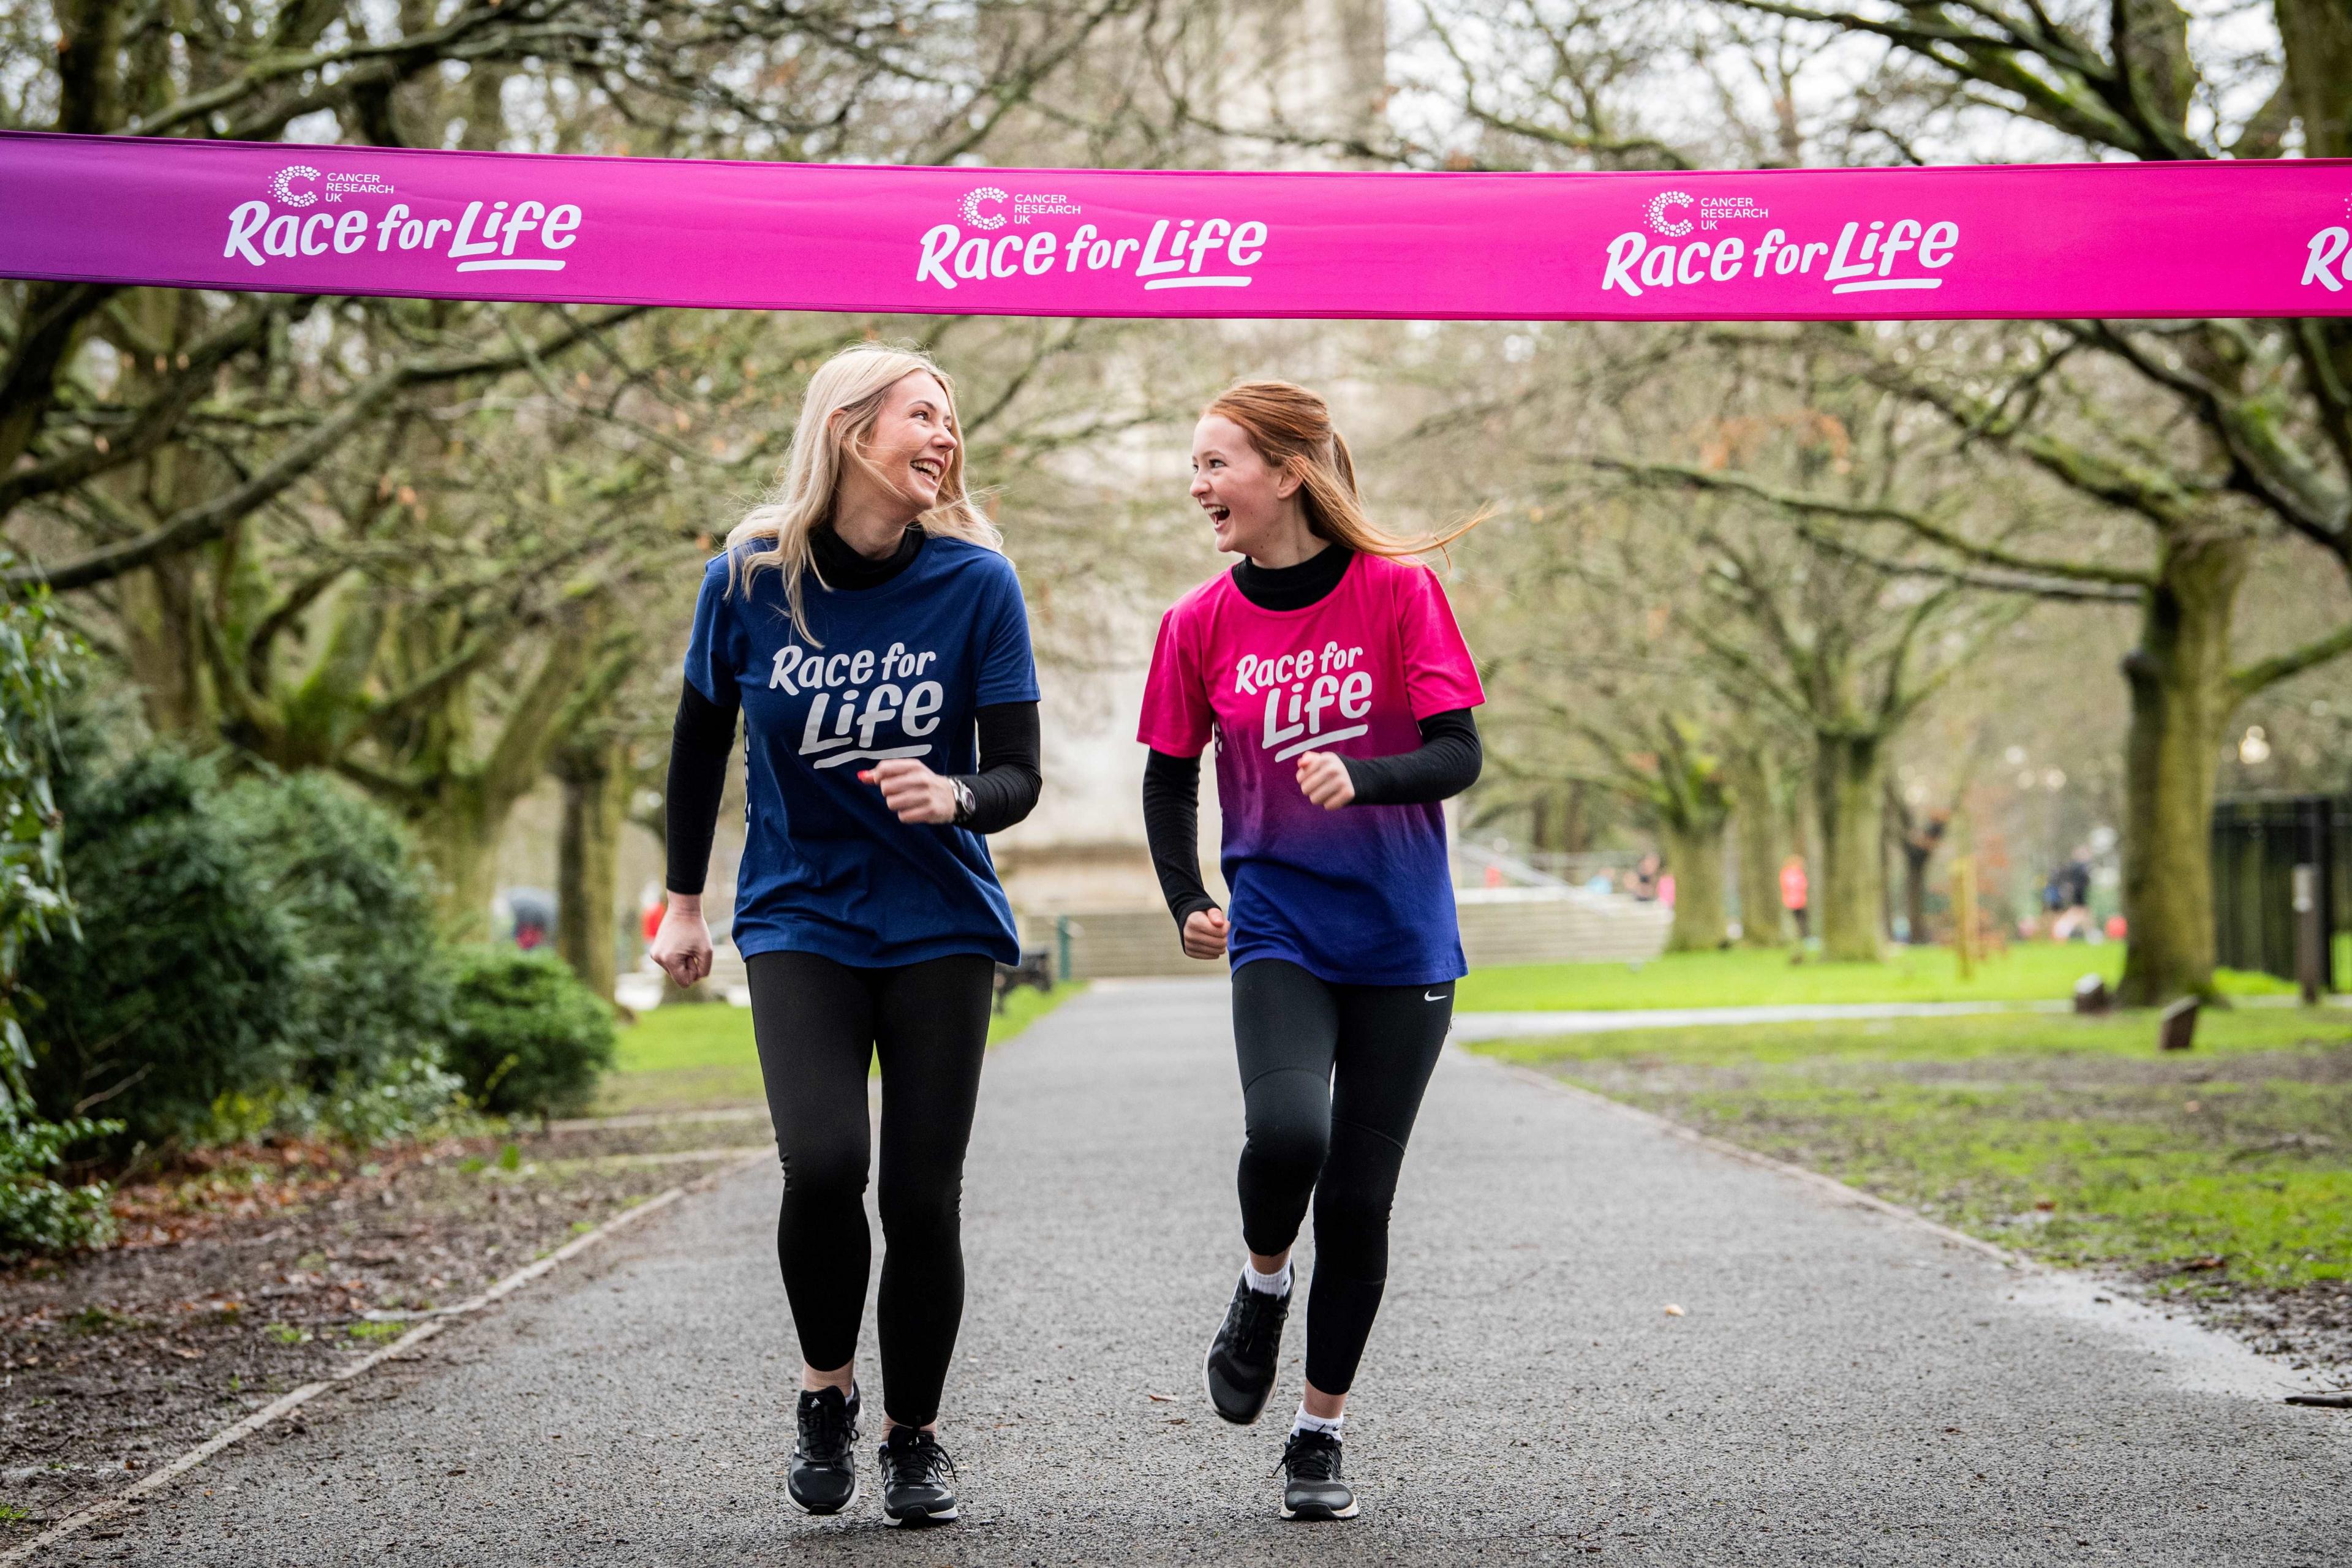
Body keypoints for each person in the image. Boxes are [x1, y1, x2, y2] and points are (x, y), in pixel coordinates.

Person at [649, 344, 1042, 1527]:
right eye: (925, 414)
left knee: (922, 1196)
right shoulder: (749, 579)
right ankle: (826, 1391)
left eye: (953, 419)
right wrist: (681, 899)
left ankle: (913, 1437)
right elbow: (696, 744)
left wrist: (958, 795)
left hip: (939, 922)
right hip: (800, 912)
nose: (947, 437)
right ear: (850, 429)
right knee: (824, 1163)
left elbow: (1019, 773)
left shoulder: (979, 584)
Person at [1137, 380, 1484, 1522]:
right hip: (1279, 920)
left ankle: (1319, 1430)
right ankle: (1260, 1280)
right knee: (1290, 1133)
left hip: (1400, 934)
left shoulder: (1398, 595)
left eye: (1216, 464)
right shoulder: (1198, 623)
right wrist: (1187, 893)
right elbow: (1168, 771)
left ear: (1286, 473)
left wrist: (1364, 776)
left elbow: (1456, 752)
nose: (1199, 486)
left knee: (1363, 1203)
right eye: (1196, 466)